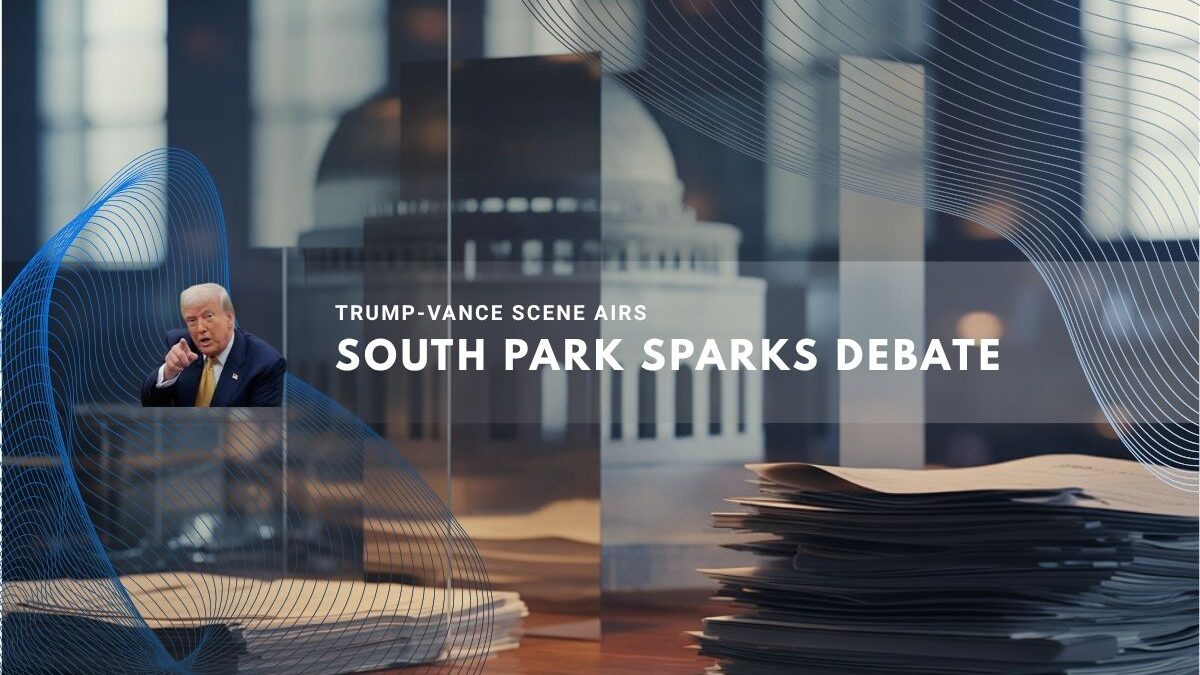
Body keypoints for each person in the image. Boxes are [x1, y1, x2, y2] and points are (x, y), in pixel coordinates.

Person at [141, 283, 285, 407]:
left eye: (208, 316)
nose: (200, 328)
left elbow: (260, 429)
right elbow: (150, 404)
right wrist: (168, 372)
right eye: (191, 320)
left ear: (229, 318)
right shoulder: (181, 345)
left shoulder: (265, 363)